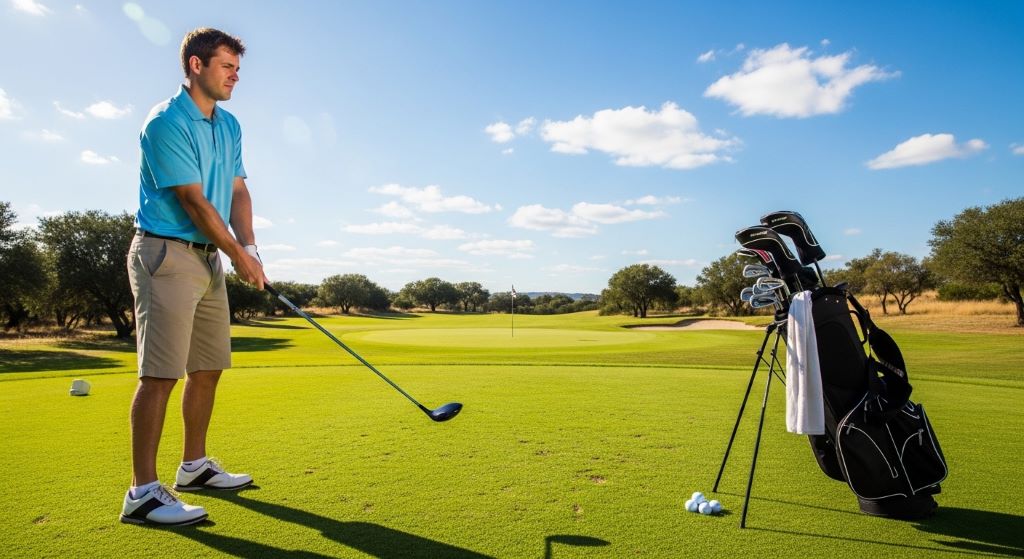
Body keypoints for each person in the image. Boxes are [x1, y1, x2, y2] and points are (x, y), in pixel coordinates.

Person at [121, 27, 267, 526]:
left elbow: (237, 192)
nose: (235, 77)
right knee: (160, 374)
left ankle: (194, 467)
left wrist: (247, 248)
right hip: (166, 252)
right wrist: (240, 258)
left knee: (207, 367)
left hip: (208, 257)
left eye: (238, 69)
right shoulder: (165, 122)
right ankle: (142, 491)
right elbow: (195, 202)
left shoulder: (228, 125)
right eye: (227, 67)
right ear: (196, 66)